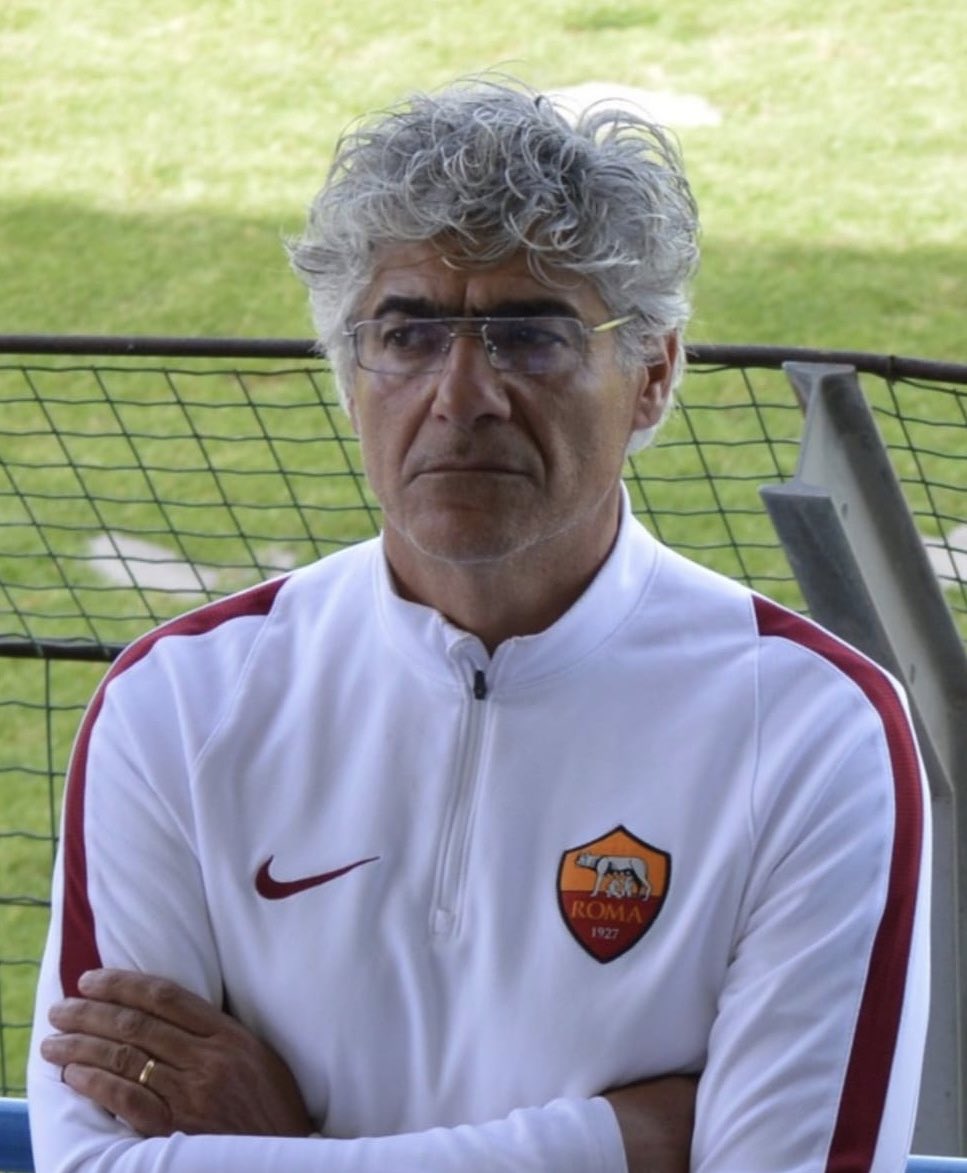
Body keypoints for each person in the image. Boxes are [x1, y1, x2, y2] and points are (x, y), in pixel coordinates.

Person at [29, 75, 930, 1172]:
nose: (462, 395)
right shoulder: (177, 705)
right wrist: (617, 1142)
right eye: (407, 334)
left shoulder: (811, 729)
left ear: (653, 375)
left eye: (530, 336)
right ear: (347, 373)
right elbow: (94, 1164)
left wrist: (282, 1150)